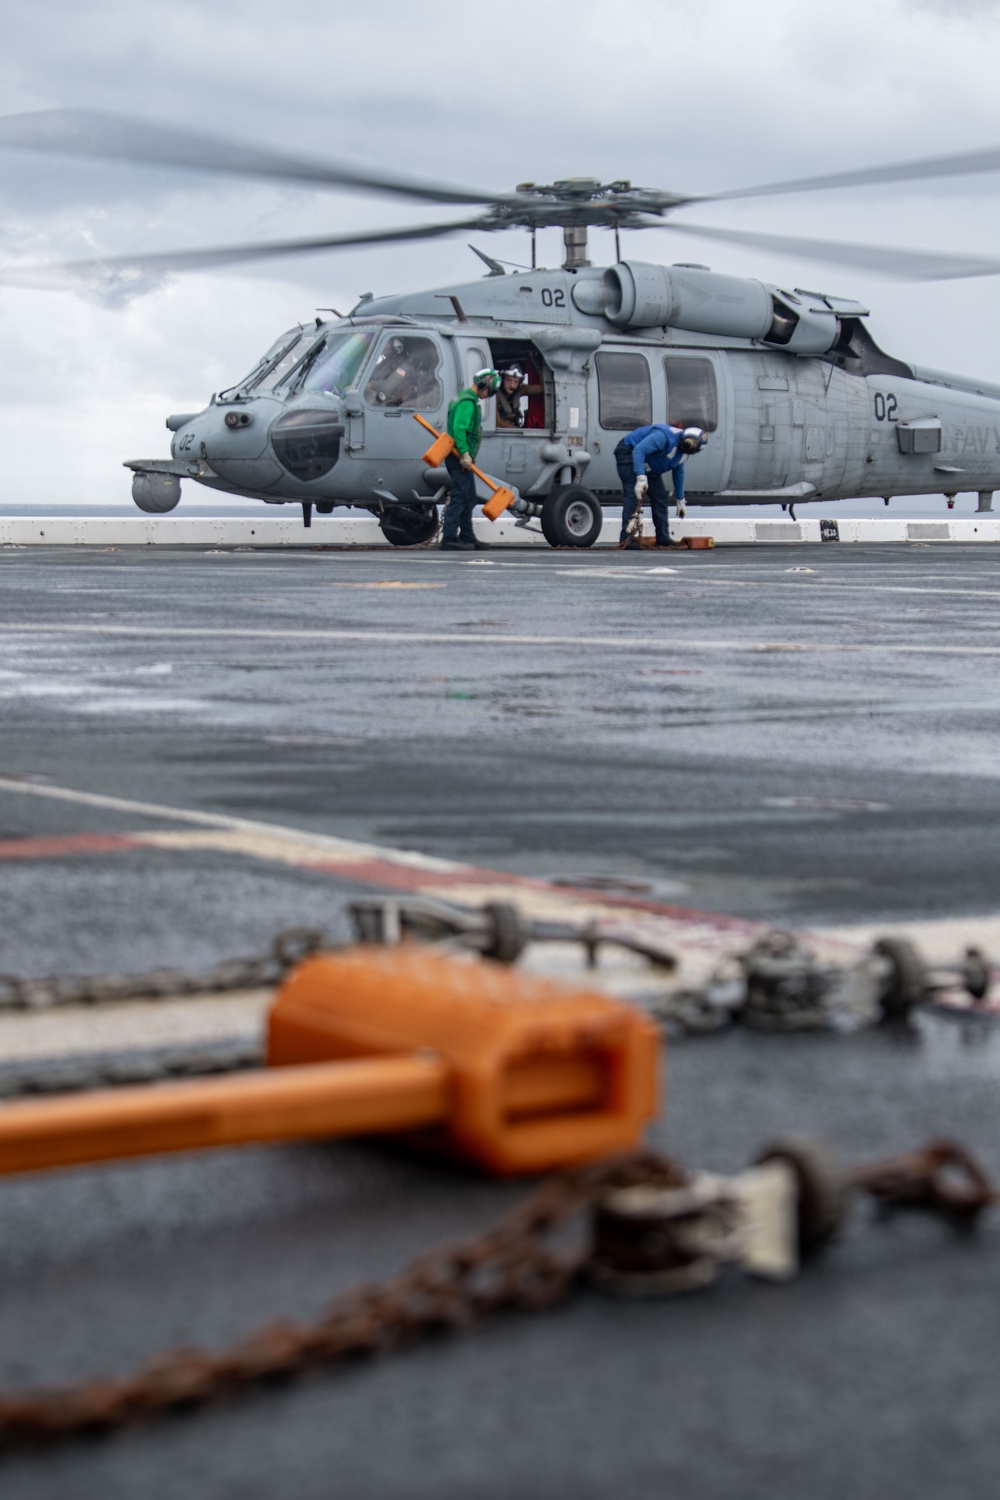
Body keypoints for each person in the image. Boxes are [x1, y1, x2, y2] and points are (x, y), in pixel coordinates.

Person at [615, 424, 708, 547]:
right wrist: (641, 477)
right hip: (629, 453)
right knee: (633, 496)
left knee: (660, 497)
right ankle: (626, 539)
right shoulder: (664, 437)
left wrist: (680, 499)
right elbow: (639, 451)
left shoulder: (682, 453)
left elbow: (678, 472)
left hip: (648, 463)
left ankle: (663, 537)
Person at [441, 368, 499, 551]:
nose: (487, 395)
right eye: (489, 391)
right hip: (458, 456)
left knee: (469, 497)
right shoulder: (467, 402)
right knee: (460, 496)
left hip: (462, 457)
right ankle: (449, 538)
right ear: (484, 384)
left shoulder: (467, 398)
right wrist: (465, 453)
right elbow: (459, 429)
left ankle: (467, 535)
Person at [495, 365, 543, 429]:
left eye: (516, 381)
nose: (512, 385)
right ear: (502, 379)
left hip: (515, 429)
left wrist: (539, 369)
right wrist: (518, 430)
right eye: (509, 380)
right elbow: (497, 422)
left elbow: (542, 388)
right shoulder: (494, 394)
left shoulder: (520, 390)